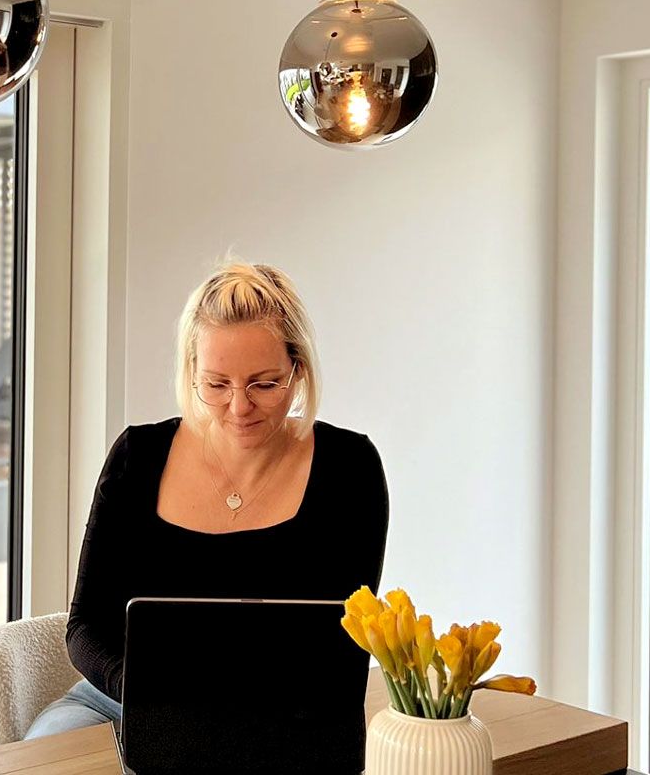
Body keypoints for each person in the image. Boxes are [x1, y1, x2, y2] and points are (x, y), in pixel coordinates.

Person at [24, 261, 389, 739]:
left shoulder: (348, 467)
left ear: (297, 370)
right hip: (119, 701)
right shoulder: (137, 458)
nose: (239, 407)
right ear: (192, 372)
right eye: (217, 384)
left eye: (263, 383)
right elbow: (86, 627)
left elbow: (345, 637)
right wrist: (150, 697)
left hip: (282, 713)